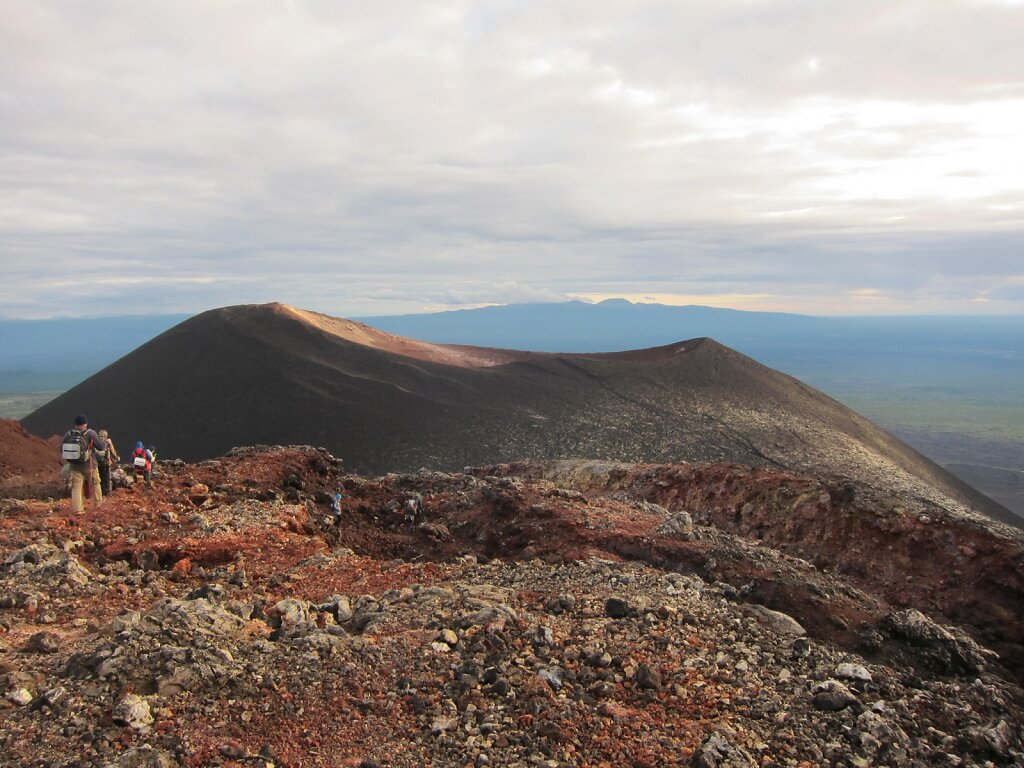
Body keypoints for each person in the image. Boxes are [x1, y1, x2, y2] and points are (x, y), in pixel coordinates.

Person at [60, 414, 108, 513]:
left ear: (75, 424)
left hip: (74, 466)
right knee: (94, 483)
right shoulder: (91, 433)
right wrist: (106, 442)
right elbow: (101, 447)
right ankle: (97, 504)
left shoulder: (68, 434)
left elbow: (60, 448)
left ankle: (78, 509)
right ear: (85, 424)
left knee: (76, 487)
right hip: (89, 464)